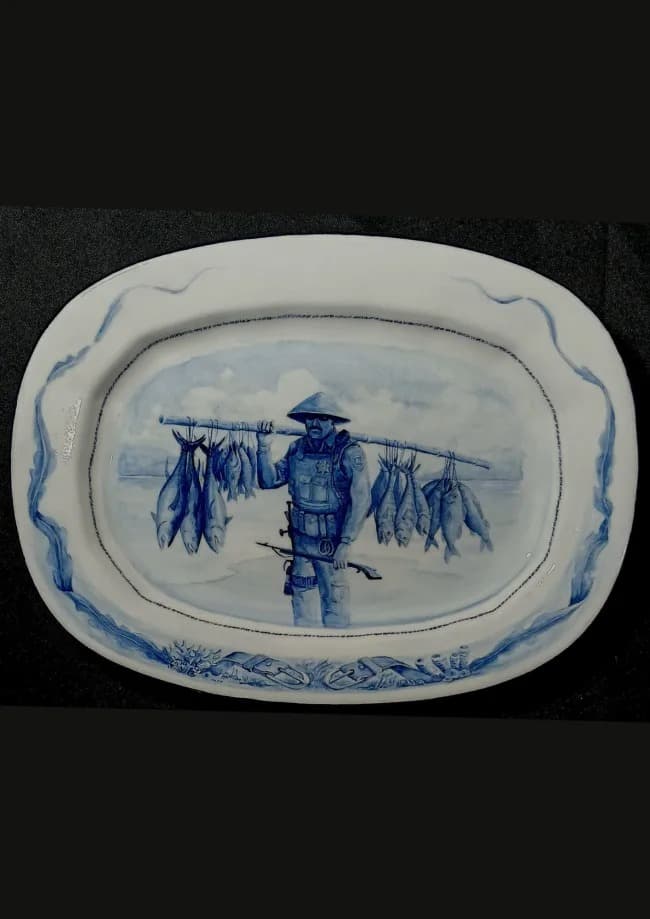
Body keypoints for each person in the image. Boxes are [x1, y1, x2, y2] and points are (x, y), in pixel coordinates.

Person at [256, 392, 371, 628]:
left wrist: (345, 543)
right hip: (300, 542)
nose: (315, 423)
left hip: (331, 543)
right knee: (302, 607)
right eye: (310, 418)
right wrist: (263, 446)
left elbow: (361, 499)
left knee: (334, 605)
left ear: (333, 421)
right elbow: (268, 481)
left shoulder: (349, 453)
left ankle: (338, 646)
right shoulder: (296, 449)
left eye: (322, 418)